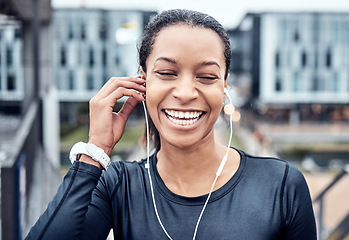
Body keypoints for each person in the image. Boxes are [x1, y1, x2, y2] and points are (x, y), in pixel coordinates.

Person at [26, 9, 316, 240]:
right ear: (143, 80)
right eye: (166, 73)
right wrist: (94, 151)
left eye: (206, 76)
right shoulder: (118, 184)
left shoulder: (281, 185)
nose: (186, 92)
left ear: (225, 85)